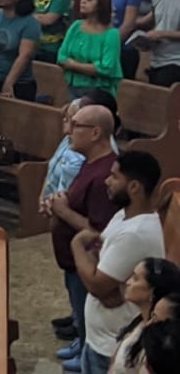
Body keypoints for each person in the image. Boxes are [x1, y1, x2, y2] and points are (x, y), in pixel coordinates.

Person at [75, 151, 166, 374]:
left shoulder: (136, 233)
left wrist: (76, 245)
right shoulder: (122, 216)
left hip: (110, 345)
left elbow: (96, 285)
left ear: (134, 186)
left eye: (115, 177)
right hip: (98, 338)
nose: (107, 181)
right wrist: (105, 283)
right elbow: (98, 256)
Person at [50, 103, 121, 364]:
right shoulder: (90, 162)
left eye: (76, 124)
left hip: (88, 261)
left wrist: (63, 211)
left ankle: (86, 353)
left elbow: (99, 231)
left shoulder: (104, 175)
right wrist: (58, 203)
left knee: (86, 309)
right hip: (71, 260)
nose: (68, 130)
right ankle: (80, 341)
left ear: (95, 133)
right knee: (78, 309)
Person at [61, 0, 124, 97]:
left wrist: (73, 65)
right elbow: (61, 56)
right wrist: (90, 67)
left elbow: (106, 67)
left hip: (99, 91)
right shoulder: (76, 26)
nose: (83, 1)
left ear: (100, 5)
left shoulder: (111, 34)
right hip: (73, 87)